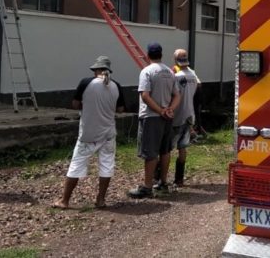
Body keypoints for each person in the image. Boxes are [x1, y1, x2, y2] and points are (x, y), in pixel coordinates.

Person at [53, 56, 125, 209]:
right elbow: (120, 109)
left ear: (96, 70)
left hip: (88, 133)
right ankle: (100, 200)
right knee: (106, 164)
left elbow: (75, 104)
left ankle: (64, 200)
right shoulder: (116, 86)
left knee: (77, 164)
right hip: (108, 134)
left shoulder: (86, 83)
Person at [127, 42, 179, 199]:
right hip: (167, 117)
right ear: (161, 55)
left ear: (148, 55)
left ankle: (147, 186)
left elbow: (145, 95)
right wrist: (170, 109)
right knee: (165, 150)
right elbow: (177, 95)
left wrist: (160, 110)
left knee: (150, 153)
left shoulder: (147, 72)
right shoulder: (170, 72)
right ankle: (163, 183)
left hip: (151, 117)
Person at [169, 49, 200, 187]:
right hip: (189, 114)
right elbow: (198, 86)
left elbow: (171, 95)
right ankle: (179, 179)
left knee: (167, 148)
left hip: (177, 115)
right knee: (183, 148)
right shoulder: (193, 75)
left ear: (176, 61)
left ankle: (159, 177)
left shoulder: (176, 77)